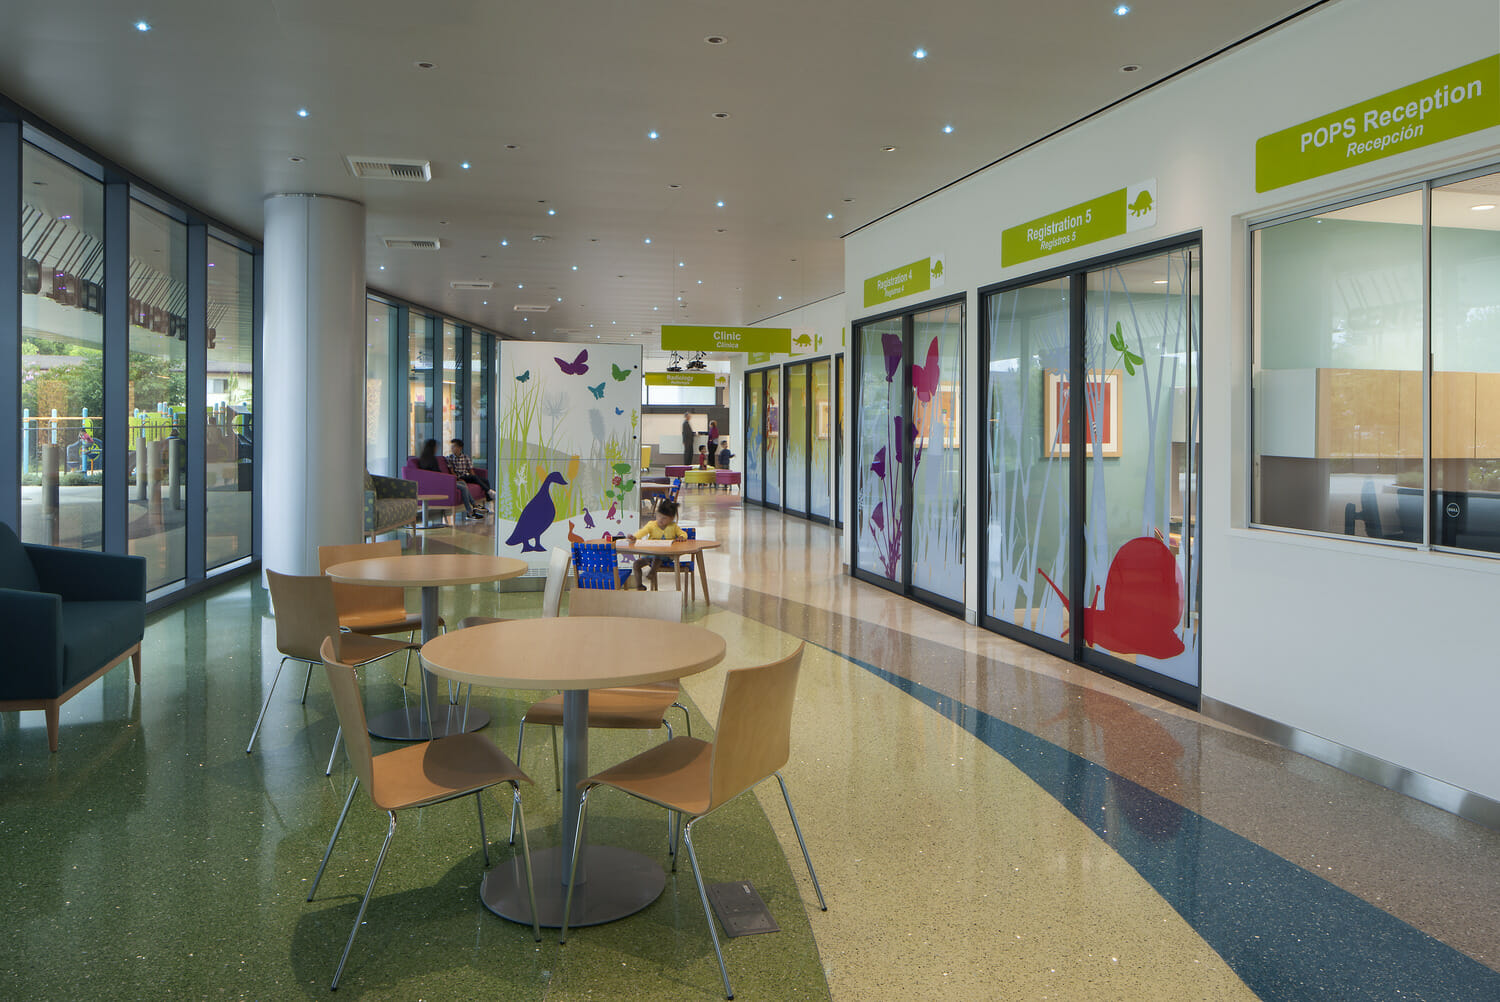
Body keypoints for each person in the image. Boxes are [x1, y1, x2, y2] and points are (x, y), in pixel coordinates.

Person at [625, 498, 688, 590]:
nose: (660, 520)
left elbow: (683, 533)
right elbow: (642, 532)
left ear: (671, 519)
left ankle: (652, 573)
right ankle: (639, 585)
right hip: (649, 555)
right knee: (636, 564)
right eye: (658, 516)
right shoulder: (651, 525)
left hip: (666, 556)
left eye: (664, 518)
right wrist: (634, 537)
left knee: (657, 557)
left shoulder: (673, 527)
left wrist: (681, 537)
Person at [417, 438, 481, 518]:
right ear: (432, 448)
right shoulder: (431, 460)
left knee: (463, 483)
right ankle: (470, 511)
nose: (437, 449)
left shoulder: (424, 458)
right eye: (436, 447)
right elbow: (435, 474)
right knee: (463, 487)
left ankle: (474, 505)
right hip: (439, 483)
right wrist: (447, 479)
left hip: (440, 481)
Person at [447, 438, 495, 509]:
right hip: (460, 477)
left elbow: (470, 469)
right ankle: (489, 491)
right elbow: (452, 471)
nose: (452, 448)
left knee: (485, 480)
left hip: (468, 476)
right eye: (451, 447)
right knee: (475, 478)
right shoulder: (450, 458)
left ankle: (488, 500)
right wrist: (457, 479)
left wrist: (475, 478)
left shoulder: (465, 457)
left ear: (460, 448)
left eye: (454, 447)